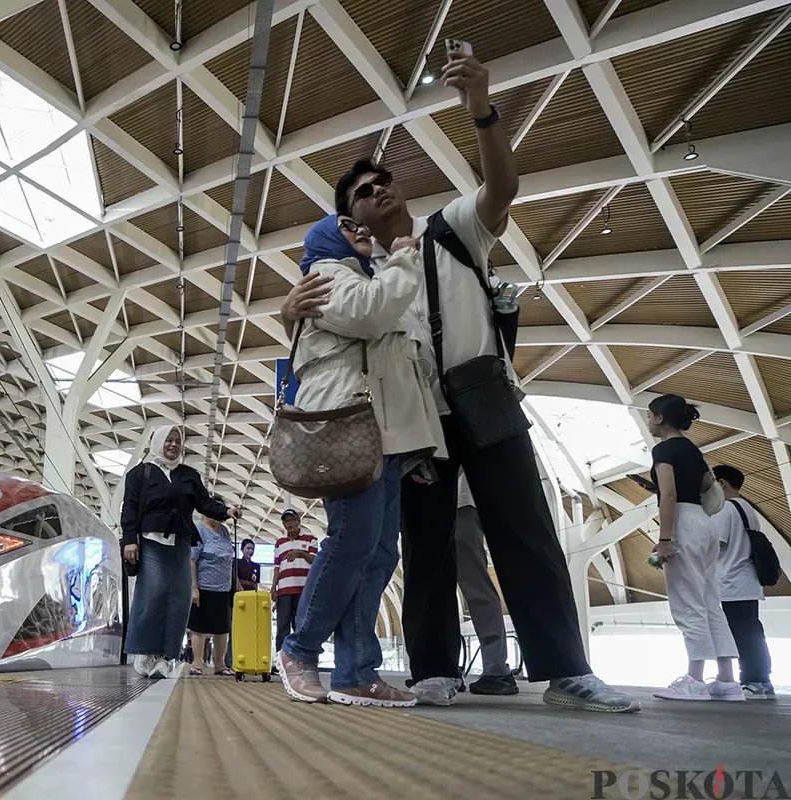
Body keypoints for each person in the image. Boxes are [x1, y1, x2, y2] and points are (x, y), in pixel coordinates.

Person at [282, 47, 637, 713]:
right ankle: (435, 668)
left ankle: (566, 670)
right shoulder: (355, 272)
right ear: (350, 222)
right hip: (417, 423)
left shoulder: (449, 229)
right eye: (364, 190)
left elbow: (502, 189)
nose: (381, 187)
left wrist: (481, 112)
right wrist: (287, 310)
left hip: (483, 394)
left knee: (525, 529)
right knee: (425, 542)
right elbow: (336, 331)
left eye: (385, 179)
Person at [274, 209, 446, 710]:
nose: (360, 230)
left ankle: (356, 672)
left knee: (378, 554)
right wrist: (405, 255)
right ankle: (299, 649)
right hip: (347, 423)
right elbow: (371, 313)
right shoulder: (328, 273)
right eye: (348, 225)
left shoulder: (365, 275)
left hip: (382, 432)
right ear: (327, 238)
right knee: (351, 543)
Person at [121, 425, 241, 679]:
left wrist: (225, 511)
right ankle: (146, 651)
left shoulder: (188, 475)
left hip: (181, 542)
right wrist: (130, 540)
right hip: (151, 540)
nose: (174, 445)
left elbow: (204, 502)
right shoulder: (140, 474)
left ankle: (167, 655)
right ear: (157, 442)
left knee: (180, 600)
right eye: (169, 440)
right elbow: (129, 508)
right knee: (152, 596)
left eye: (178, 441)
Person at [647, 395, 742, 702]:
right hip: (704, 522)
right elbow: (702, 487)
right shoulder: (692, 449)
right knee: (710, 600)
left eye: (649, 416)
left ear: (660, 418)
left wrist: (664, 538)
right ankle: (727, 680)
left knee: (688, 602)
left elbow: (670, 494)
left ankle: (694, 680)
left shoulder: (663, 449)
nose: (648, 421)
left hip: (683, 524)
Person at [712, 464, 775, 700]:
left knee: (740, 634)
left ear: (721, 483)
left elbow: (715, 545)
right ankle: (762, 680)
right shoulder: (747, 508)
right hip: (748, 580)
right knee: (752, 631)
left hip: (732, 581)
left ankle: (752, 680)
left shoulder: (726, 509)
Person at [454, 470, 517, 695]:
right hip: (460, 503)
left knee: (474, 587)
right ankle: (495, 668)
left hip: (459, 504)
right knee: (475, 586)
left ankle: (495, 669)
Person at [189, 505, 239, 676]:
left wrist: (235, 582)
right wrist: (194, 588)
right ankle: (197, 662)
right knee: (199, 626)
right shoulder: (198, 529)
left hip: (223, 587)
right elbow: (192, 560)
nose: (218, 517)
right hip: (203, 586)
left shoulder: (224, 531)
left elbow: (228, 558)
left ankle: (220, 664)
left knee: (222, 627)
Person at [272, 510, 317, 655]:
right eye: (286, 521)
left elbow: (315, 560)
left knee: (301, 626)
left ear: (298, 521)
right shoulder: (279, 543)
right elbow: (277, 568)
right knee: (282, 626)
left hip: (304, 590)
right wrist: (274, 588)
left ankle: (300, 658)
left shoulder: (311, 539)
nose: (289, 523)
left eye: (292, 519)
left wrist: (301, 553)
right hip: (284, 591)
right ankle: (281, 659)